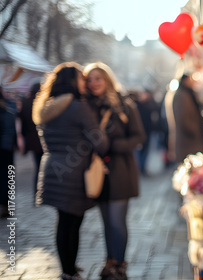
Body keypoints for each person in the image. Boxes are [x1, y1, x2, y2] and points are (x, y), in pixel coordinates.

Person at [33, 62, 109, 280]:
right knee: (73, 223)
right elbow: (99, 142)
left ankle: (67, 269)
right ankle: (70, 271)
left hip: (51, 169)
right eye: (81, 79)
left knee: (63, 222)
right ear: (72, 82)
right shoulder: (77, 107)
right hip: (74, 173)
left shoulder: (46, 106)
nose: (85, 83)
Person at [83, 62, 146, 280]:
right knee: (106, 223)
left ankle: (119, 264)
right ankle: (109, 261)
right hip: (98, 172)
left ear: (107, 80)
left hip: (121, 171)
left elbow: (139, 137)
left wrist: (114, 144)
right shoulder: (86, 107)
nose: (93, 83)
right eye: (89, 79)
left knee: (117, 221)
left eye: (98, 78)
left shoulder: (124, 106)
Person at [165, 74, 203, 163]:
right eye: (191, 80)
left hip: (192, 140)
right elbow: (183, 119)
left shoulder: (187, 94)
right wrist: (195, 131)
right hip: (188, 142)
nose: (193, 82)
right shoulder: (181, 95)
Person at [18, 82, 44, 202]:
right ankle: (42, 194)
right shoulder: (43, 103)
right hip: (43, 141)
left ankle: (37, 194)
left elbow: (22, 124)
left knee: (37, 168)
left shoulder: (26, 103)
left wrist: (24, 137)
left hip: (32, 142)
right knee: (43, 169)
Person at [0, 88, 18, 218]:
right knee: (8, 177)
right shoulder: (9, 108)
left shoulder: (9, 108)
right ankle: (6, 206)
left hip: (6, 148)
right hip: (6, 149)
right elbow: (11, 131)